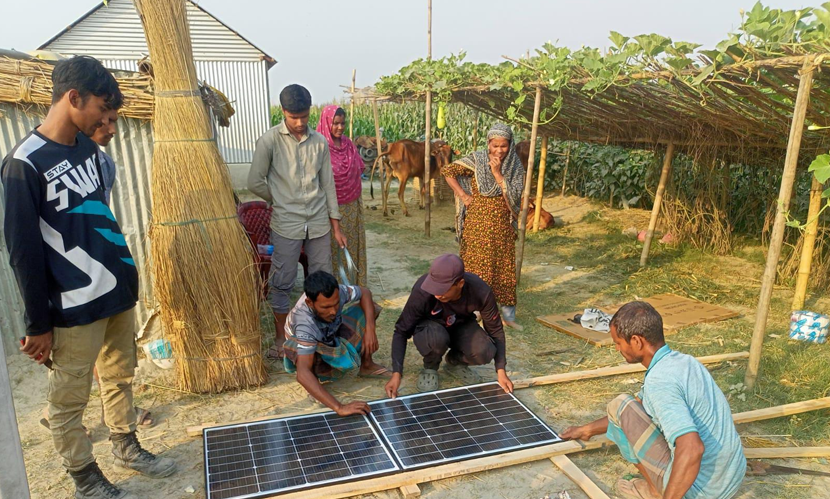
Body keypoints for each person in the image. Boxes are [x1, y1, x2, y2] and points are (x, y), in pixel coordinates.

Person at [2, 55, 176, 499]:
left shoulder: (91, 152)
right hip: (72, 306)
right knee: (68, 401)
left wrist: (128, 278)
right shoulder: (25, 163)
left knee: (119, 377)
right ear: (73, 98)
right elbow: (23, 251)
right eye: (101, 107)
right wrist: (37, 324)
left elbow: (100, 220)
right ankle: (84, 476)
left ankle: (125, 445)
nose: (106, 119)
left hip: (116, 292)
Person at [560, 302, 745, 499]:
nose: (616, 348)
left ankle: (657, 492)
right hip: (731, 480)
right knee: (625, 408)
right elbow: (637, 411)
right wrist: (586, 430)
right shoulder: (685, 362)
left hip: (702, 492)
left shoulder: (660, 381)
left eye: (618, 342)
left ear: (636, 341)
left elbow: (691, 448)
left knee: (619, 404)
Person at [248, 84, 347, 361]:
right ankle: (282, 339)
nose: (300, 123)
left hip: (318, 223)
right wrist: (277, 198)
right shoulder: (269, 141)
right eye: (294, 117)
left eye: (304, 116)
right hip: (286, 223)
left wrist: (336, 226)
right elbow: (254, 181)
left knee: (324, 283)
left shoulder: (319, 143)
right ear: (283, 112)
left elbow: (328, 185)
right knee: (282, 282)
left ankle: (321, 336)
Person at [385, 253, 514, 396]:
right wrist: (396, 374)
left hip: (461, 325)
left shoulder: (481, 291)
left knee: (485, 351)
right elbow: (401, 331)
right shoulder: (423, 290)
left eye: (442, 289)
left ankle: (455, 361)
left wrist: (501, 371)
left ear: (460, 284)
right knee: (435, 339)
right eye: (434, 287)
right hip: (431, 328)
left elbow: (495, 331)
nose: (437, 294)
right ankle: (430, 367)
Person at [442, 123, 525, 331]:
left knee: (503, 267)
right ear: (488, 143)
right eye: (495, 145)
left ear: (510, 145)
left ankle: (507, 316)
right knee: (474, 268)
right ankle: (474, 311)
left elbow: (515, 196)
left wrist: (497, 173)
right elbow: (448, 170)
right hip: (476, 224)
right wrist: (463, 195)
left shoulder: (515, 167)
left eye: (504, 146)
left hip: (501, 226)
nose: (499, 150)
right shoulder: (477, 160)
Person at [283, 271, 391, 415]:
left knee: (368, 308)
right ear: (310, 302)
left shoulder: (338, 292)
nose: (333, 311)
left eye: (335, 304)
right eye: (326, 307)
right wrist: (339, 407)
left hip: (331, 333)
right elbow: (302, 372)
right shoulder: (304, 322)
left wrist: (370, 330)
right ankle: (314, 386)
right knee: (302, 351)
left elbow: (365, 292)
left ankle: (367, 365)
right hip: (311, 346)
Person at [316, 105, 368, 287]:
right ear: (326, 122)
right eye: (335, 123)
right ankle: (336, 288)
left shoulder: (348, 144)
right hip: (330, 210)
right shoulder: (319, 147)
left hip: (352, 206)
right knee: (333, 250)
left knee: (353, 247)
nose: (340, 127)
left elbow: (359, 168)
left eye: (342, 123)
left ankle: (355, 284)